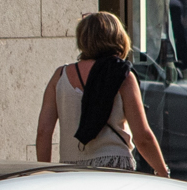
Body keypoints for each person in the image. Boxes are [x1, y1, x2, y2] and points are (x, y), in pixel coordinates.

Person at [34, 11, 170, 175]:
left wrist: (44, 174)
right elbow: (142, 137)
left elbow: (43, 132)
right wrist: (163, 172)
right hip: (114, 167)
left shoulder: (60, 76)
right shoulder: (122, 75)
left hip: (70, 170)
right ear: (118, 37)